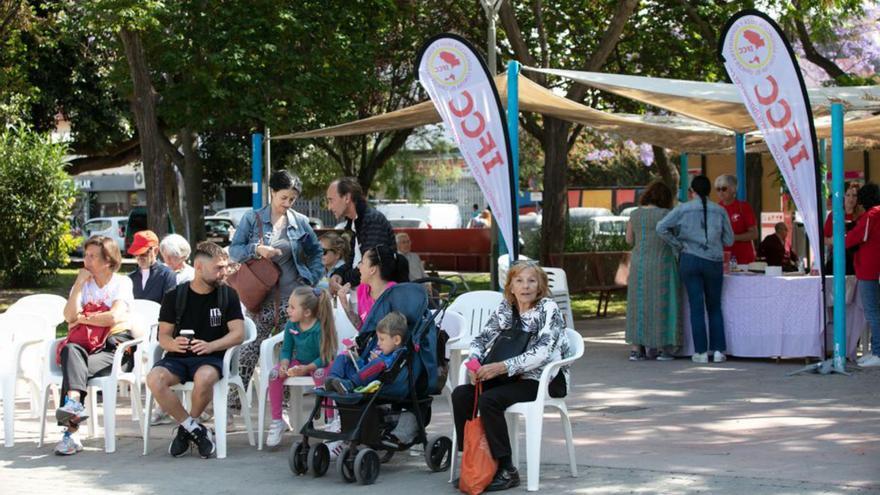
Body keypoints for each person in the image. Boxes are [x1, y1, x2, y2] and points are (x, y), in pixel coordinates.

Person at [451, 262, 571, 492]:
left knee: (489, 400)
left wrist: (501, 367)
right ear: (511, 286)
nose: (525, 286)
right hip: (507, 376)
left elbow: (543, 352)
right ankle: (474, 462)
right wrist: (475, 363)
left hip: (540, 380)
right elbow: (480, 339)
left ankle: (507, 469)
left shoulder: (548, 309)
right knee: (461, 395)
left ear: (540, 286)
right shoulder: (506, 307)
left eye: (531, 281)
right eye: (519, 281)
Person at [229, 170, 323, 411]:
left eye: (292, 199)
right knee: (250, 349)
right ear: (271, 192)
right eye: (283, 197)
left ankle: (282, 410)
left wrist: (310, 279)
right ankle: (232, 406)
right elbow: (234, 251)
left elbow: (316, 253)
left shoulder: (299, 221)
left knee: (286, 353)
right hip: (260, 299)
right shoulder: (253, 219)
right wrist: (257, 249)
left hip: (292, 300)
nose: (287, 203)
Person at [146, 242, 245, 459]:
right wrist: (173, 344)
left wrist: (211, 345)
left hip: (211, 357)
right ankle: (196, 429)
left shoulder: (228, 295)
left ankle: (185, 430)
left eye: (225, 267)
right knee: (154, 379)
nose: (224, 272)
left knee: (205, 377)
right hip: (178, 358)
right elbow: (163, 335)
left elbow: (238, 333)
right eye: (218, 268)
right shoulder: (175, 295)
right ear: (199, 267)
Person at [54, 235, 134, 455]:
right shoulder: (83, 284)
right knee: (71, 351)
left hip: (114, 346)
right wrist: (79, 284)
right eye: (85, 255)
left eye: (92, 256)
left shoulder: (122, 282)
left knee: (73, 370)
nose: (86, 261)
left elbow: (113, 317)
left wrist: (82, 318)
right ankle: (75, 405)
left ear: (107, 261)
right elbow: (68, 316)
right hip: (85, 345)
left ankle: (70, 434)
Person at [657, 175, 734, 364]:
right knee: (715, 306)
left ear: (692, 190)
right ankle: (717, 351)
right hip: (714, 261)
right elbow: (729, 240)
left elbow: (661, 228)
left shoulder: (683, 209)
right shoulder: (720, 210)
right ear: (710, 190)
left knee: (696, 306)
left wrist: (677, 244)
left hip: (690, 259)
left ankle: (700, 352)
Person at [265, 286, 338, 447]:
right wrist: (284, 364)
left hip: (320, 364)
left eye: (292, 307)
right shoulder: (291, 326)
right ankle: (278, 421)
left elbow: (326, 356)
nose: (287, 310)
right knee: (274, 374)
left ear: (306, 312)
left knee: (320, 375)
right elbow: (286, 350)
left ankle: (330, 421)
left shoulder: (320, 327)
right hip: (300, 363)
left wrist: (307, 369)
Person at [624, 180, 681, 361]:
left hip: (639, 263)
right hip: (662, 262)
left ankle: (636, 348)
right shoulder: (667, 214)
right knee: (661, 303)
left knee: (638, 303)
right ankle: (662, 348)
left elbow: (629, 239)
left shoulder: (634, 214)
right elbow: (677, 236)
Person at [325, 177, 401, 287]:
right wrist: (338, 274)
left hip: (375, 300)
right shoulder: (356, 222)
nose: (329, 207)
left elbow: (370, 268)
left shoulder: (372, 220)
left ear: (346, 198)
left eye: (331, 200)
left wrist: (343, 279)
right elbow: (352, 261)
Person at [324, 311, 407, 394]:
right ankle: (333, 380)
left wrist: (378, 361)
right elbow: (363, 369)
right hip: (360, 378)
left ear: (396, 340)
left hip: (368, 383)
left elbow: (388, 368)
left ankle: (349, 385)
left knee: (379, 363)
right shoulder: (381, 351)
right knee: (342, 358)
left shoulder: (398, 355)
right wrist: (357, 359)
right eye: (378, 339)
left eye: (382, 339)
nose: (378, 343)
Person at [845, 183, 880, 367]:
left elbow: (854, 238)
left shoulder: (871, 215)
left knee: (873, 312)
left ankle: (878, 353)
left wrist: (842, 237)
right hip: (875, 268)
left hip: (869, 269)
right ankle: (875, 350)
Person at [337, 245, 402, 329]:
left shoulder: (394, 293)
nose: (358, 266)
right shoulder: (362, 289)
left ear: (372, 270)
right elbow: (361, 326)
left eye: (362, 262)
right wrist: (345, 304)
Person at [714, 174, 757, 265]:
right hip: (723, 257)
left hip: (743, 258)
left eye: (724, 189)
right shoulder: (716, 209)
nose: (721, 192)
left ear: (733, 189)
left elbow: (754, 234)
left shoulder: (743, 207)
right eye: (718, 189)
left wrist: (733, 237)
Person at [824, 182, 862, 275]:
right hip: (838, 259)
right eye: (848, 195)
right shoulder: (834, 215)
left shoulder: (862, 216)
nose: (851, 198)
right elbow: (823, 239)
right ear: (843, 196)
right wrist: (831, 240)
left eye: (854, 195)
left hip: (857, 260)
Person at [128, 230, 177, 303]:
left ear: (156, 251)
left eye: (143, 253)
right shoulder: (130, 278)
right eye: (136, 253)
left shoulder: (167, 276)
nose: (139, 257)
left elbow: (170, 307)